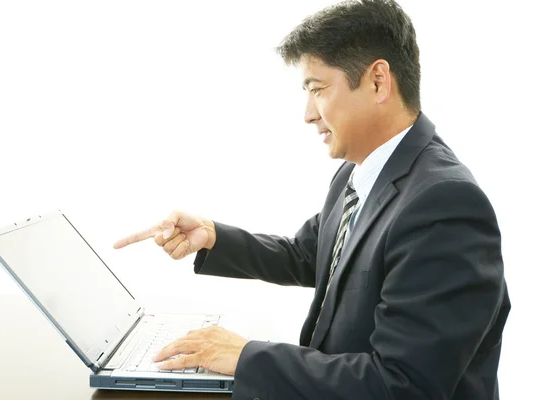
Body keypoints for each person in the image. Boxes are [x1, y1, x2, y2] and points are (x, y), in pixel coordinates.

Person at [113, 0, 511, 398]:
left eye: (317, 90)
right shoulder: (359, 173)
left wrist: (246, 356)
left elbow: (402, 386)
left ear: (377, 81)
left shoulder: (446, 205)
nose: (308, 114)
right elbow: (309, 254)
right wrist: (213, 236)